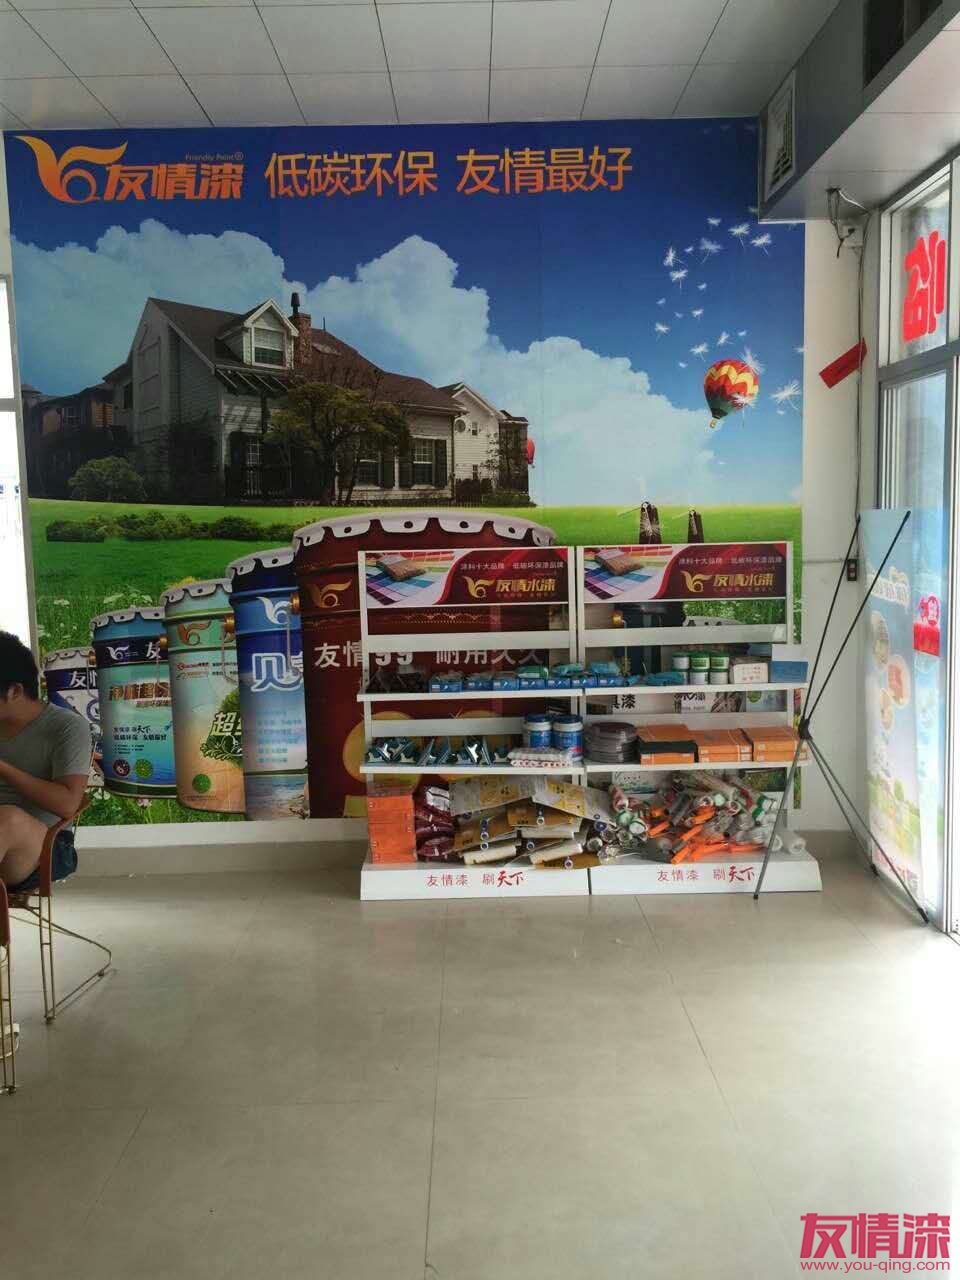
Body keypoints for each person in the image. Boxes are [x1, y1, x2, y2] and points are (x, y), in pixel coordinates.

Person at [0, 632, 90, 889]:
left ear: (15, 691)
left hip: (45, 847)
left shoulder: (66, 727)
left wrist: (3, 768)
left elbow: (67, 804)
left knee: (8, 819)